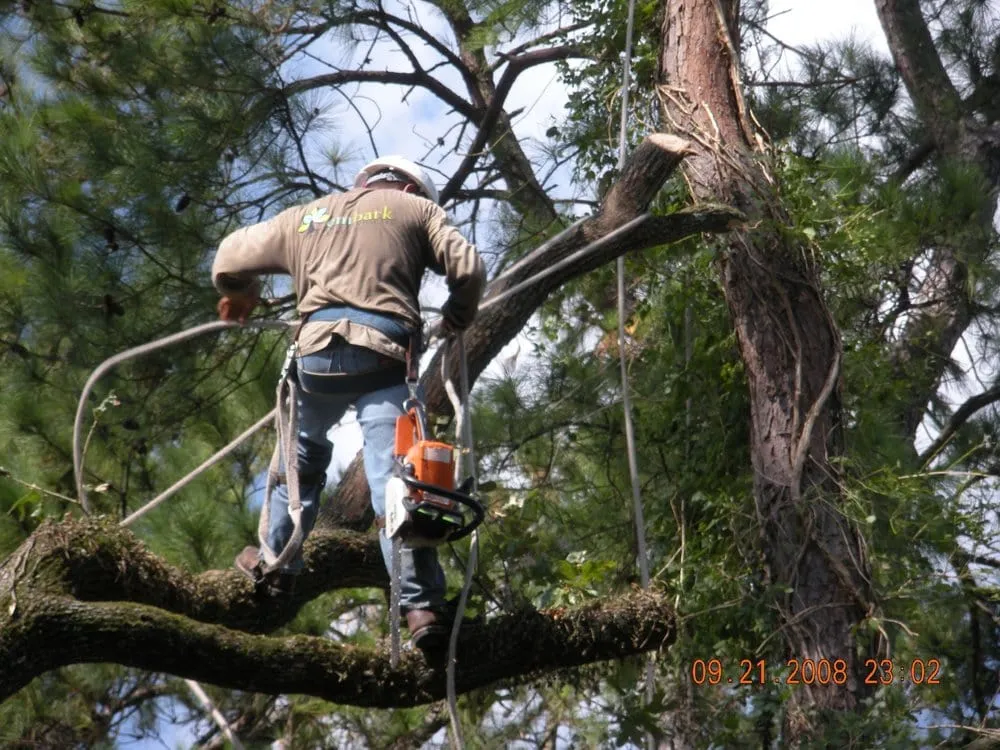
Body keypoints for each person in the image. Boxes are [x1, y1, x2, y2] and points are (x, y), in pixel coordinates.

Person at [211, 156, 486, 652]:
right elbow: (468, 268)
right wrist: (457, 316)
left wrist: (241, 292)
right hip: (384, 360)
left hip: (315, 362)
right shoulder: (416, 211)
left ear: (363, 180)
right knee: (397, 483)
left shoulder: (309, 214)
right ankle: (421, 607)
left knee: (298, 459)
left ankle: (276, 564)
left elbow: (230, 254)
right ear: (410, 187)